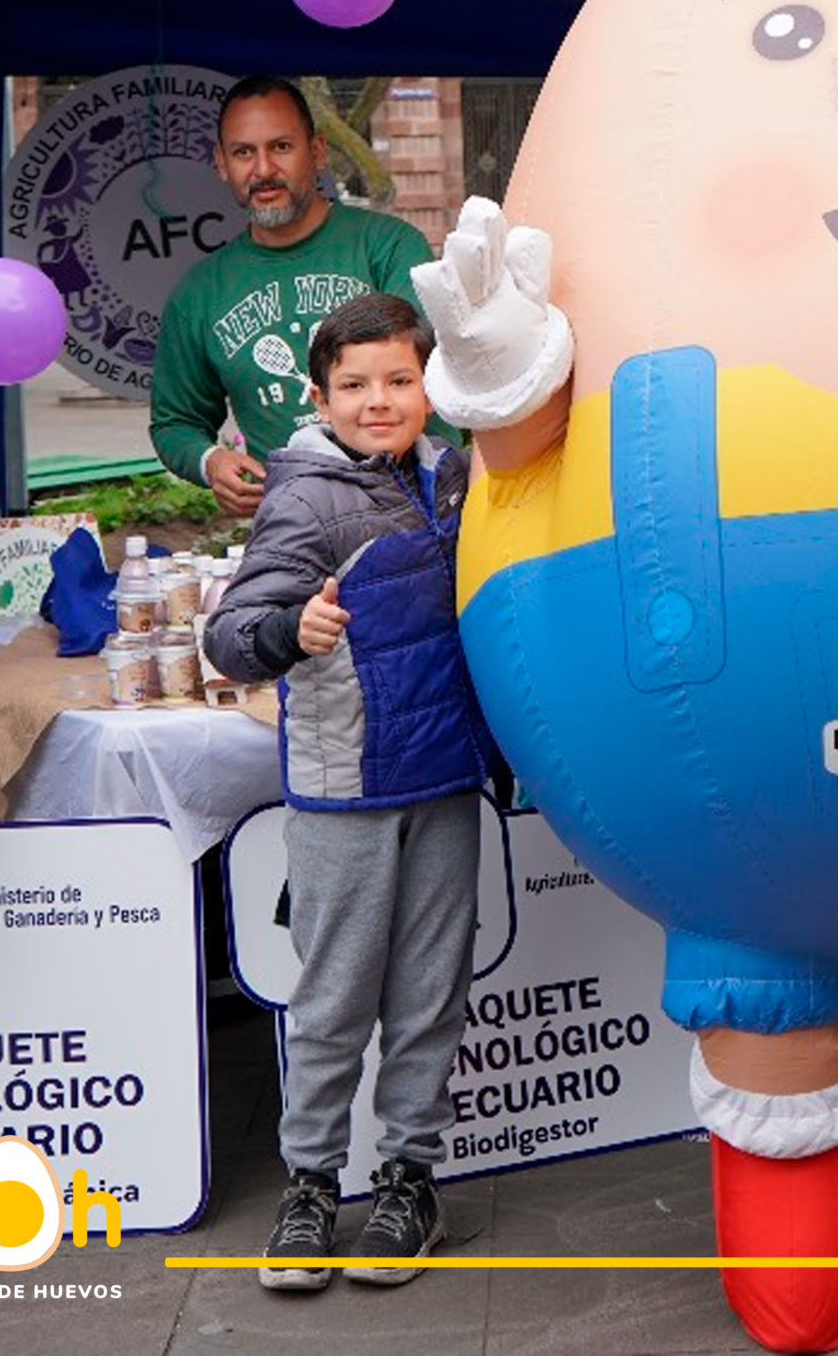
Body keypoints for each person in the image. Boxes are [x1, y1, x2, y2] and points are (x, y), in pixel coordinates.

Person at [203, 291, 497, 1289]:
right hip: (346, 789)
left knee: (429, 996)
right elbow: (229, 636)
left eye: (400, 380)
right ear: (320, 399)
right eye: (356, 385)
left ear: (430, 386)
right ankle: (310, 1186)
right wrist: (291, 631)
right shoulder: (304, 497)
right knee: (332, 1001)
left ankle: (410, 1181)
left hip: (443, 779)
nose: (380, 401)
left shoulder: (456, 476)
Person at [150, 76, 441, 519]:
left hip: (414, 509)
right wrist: (210, 461)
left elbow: (432, 373)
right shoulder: (199, 294)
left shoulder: (390, 248)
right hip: (296, 524)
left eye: (281, 147)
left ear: (317, 151)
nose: (263, 169)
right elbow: (175, 422)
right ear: (221, 164)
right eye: (243, 152)